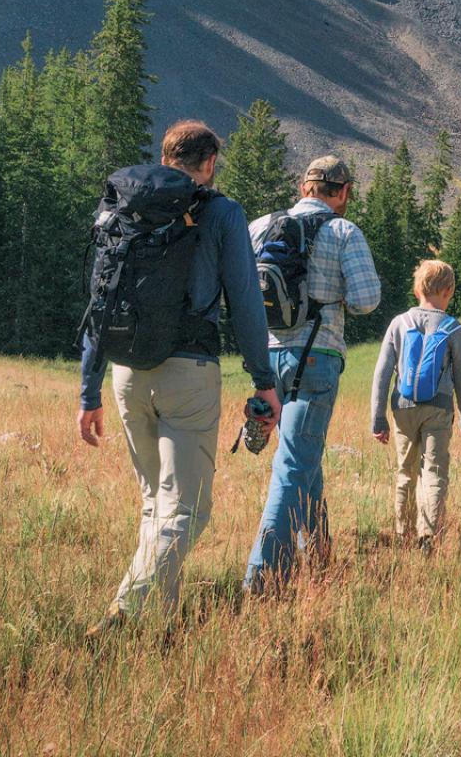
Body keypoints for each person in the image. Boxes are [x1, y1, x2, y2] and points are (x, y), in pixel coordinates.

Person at [77, 120, 278, 633]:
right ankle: (126, 610)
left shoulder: (124, 210)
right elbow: (245, 301)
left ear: (165, 159)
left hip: (125, 370)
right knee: (187, 510)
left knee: (155, 504)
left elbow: (101, 300)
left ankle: (154, 632)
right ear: (208, 163)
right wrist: (263, 378)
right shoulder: (221, 212)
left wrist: (89, 388)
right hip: (188, 371)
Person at [243, 155, 381, 592]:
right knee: (293, 466)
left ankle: (319, 555)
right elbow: (366, 301)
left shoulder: (261, 225)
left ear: (304, 187)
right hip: (317, 358)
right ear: (342, 192)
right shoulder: (343, 231)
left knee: (305, 459)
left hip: (266, 357)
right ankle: (261, 581)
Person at [370, 259, 461, 547]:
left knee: (406, 470)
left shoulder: (399, 323)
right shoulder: (453, 329)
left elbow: (381, 374)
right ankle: (427, 535)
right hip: (438, 410)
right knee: (434, 471)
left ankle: (403, 533)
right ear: (449, 291)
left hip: (402, 408)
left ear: (417, 288)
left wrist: (377, 418)